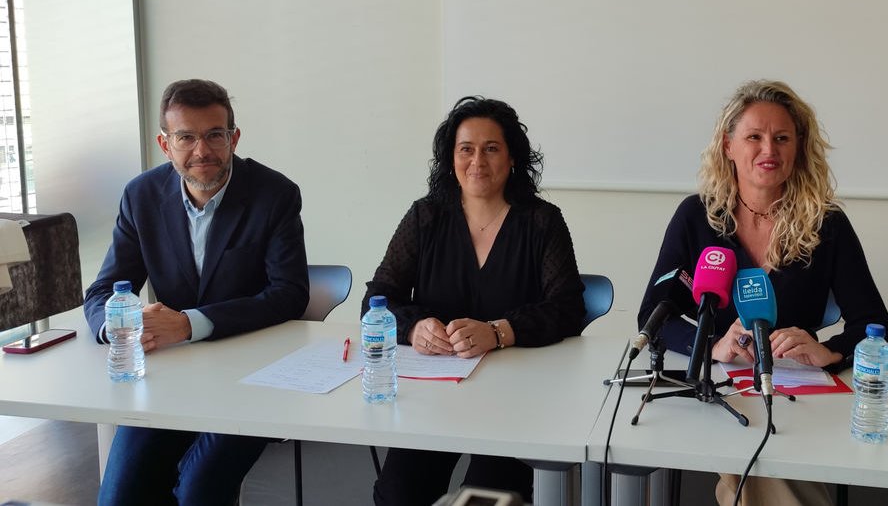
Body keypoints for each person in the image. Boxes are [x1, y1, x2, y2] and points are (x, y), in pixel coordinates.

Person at [639, 80, 888, 506]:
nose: (769, 151)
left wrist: (828, 352)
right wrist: (712, 346)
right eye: (754, 137)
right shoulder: (695, 217)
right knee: (756, 467)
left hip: (799, 398)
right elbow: (653, 315)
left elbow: (878, 327)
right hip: (717, 390)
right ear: (728, 146)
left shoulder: (827, 225)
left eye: (781, 138)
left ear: (798, 148)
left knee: (755, 475)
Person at [82, 79, 309, 506]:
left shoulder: (274, 194)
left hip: (252, 376)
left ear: (233, 138)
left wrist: (189, 324)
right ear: (165, 144)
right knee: (119, 496)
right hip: (170, 376)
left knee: (198, 490)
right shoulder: (141, 196)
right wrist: (118, 328)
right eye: (185, 137)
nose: (201, 150)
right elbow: (102, 292)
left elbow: (289, 293)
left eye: (214, 135)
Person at [363, 95, 585, 506]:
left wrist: (500, 332)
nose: (477, 160)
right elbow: (378, 297)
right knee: (398, 493)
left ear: (513, 158)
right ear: (451, 159)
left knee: (487, 496)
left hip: (515, 395)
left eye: (491, 148)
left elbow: (568, 307)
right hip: (434, 394)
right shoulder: (425, 217)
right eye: (466, 149)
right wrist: (414, 327)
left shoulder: (542, 221)